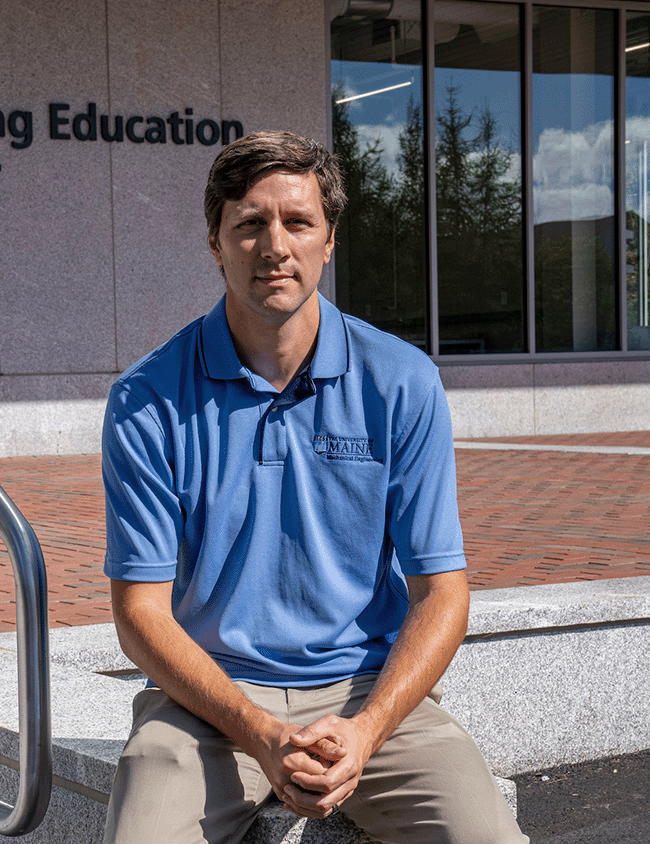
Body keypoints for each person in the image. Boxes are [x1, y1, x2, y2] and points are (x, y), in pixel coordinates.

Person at [100, 131, 527, 844]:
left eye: (298, 222)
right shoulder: (146, 399)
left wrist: (366, 731)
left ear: (329, 242)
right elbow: (139, 612)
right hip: (209, 702)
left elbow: (442, 592)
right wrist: (259, 732)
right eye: (249, 224)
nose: (275, 245)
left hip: (368, 694)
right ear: (215, 243)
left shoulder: (401, 380)